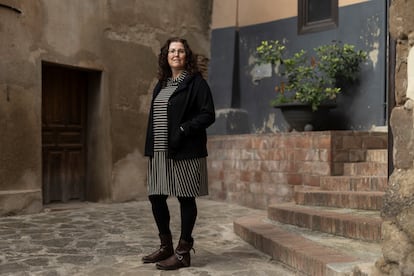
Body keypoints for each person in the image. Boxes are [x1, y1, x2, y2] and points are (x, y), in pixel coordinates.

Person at [142, 37, 215, 270]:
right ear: (166, 56)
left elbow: (208, 114)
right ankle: (166, 246)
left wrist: (183, 129)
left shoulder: (196, 83)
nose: (176, 54)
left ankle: (183, 252)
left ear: (187, 56)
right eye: (172, 51)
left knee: (185, 197)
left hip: (184, 150)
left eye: (181, 51)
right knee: (156, 196)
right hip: (161, 151)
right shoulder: (161, 84)